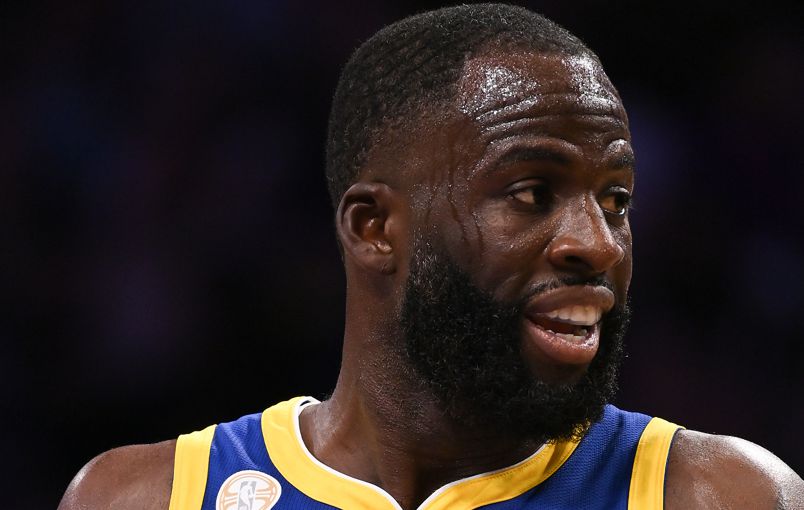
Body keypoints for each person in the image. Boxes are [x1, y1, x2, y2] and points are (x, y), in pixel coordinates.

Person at [58, 4, 803, 509]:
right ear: (375, 228)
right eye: (532, 192)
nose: (599, 243)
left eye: (616, 200)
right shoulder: (145, 496)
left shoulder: (720, 496)